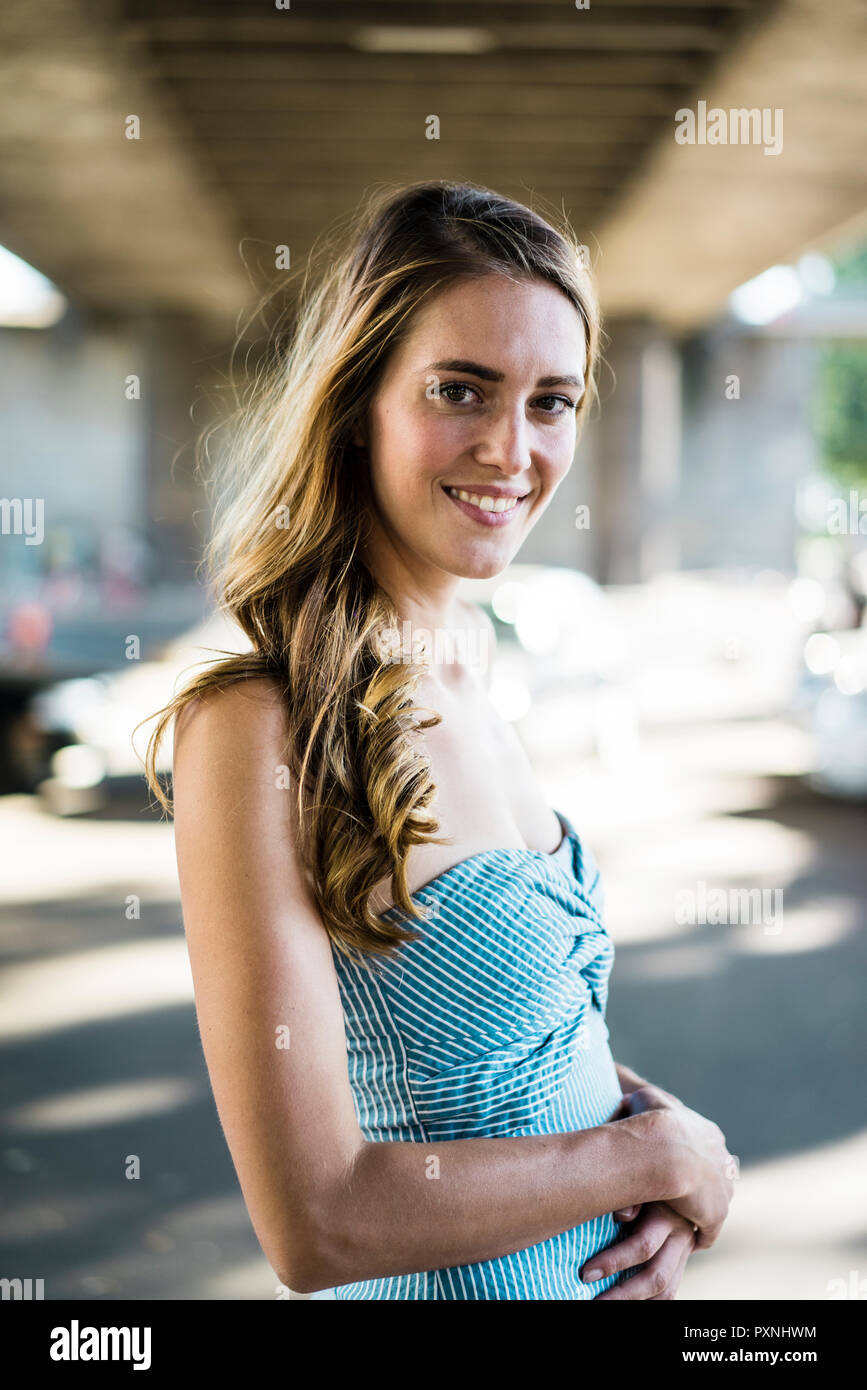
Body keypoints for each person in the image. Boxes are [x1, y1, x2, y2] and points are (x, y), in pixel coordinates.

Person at [142, 180, 734, 1300]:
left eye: (552, 401)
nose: (513, 450)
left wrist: (663, 1144)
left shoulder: (477, 666)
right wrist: (649, 1158)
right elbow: (318, 1221)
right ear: (360, 400)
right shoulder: (255, 727)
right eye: (463, 389)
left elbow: (507, 1064)